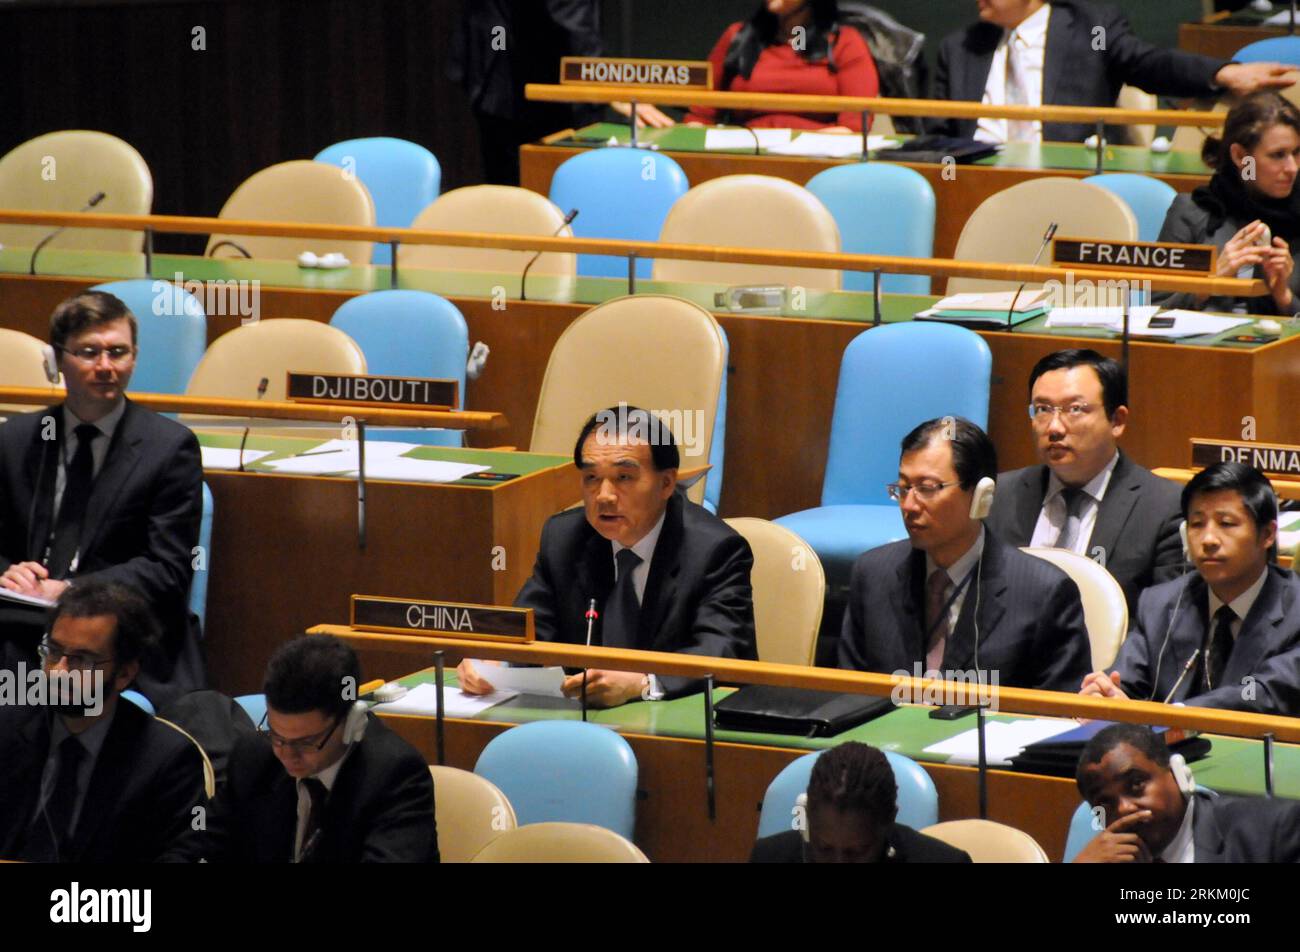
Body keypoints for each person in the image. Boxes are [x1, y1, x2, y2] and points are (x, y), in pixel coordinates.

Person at [459, 405, 757, 707]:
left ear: (666, 483)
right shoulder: (564, 538)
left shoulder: (714, 550)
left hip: (679, 724)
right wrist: (496, 661)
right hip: (579, 724)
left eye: (624, 477)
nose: (603, 495)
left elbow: (723, 648)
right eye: (591, 478)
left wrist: (642, 682)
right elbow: (531, 630)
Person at [0, 290, 204, 707]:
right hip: (19, 623)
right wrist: (9, 574)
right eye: (89, 352)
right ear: (59, 360)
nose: (106, 367)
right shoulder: (15, 440)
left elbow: (167, 570)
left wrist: (71, 590)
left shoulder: (169, 448)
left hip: (112, 634)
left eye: (118, 352)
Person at [837, 416, 1091, 692]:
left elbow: (1059, 720)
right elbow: (849, 695)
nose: (909, 505)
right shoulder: (873, 573)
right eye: (903, 488)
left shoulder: (1044, 593)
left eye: (927, 488)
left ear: (981, 496)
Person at [0, 580, 206, 862]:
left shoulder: (168, 761)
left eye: (82, 661)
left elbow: (182, 856)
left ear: (124, 673)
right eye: (55, 652)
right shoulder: (8, 730)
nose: (59, 672)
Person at [1081, 463, 1300, 714]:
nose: (1208, 539)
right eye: (1197, 524)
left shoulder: (1295, 611)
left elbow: (1264, 693)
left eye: (1226, 523)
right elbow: (1126, 682)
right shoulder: (1160, 603)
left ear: (1268, 534)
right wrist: (1105, 694)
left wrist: (1175, 715)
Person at [202, 635, 439, 863]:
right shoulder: (254, 756)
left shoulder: (396, 776)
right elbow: (199, 837)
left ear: (352, 722)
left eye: (305, 742)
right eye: (276, 735)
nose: (286, 754)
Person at [984, 349, 1183, 615]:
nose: (1054, 427)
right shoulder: (1000, 496)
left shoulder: (1164, 508)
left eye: (1074, 409)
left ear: (1117, 420)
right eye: (1042, 410)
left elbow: (1166, 625)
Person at [932, 0, 1295, 143]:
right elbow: (936, 133)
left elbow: (1147, 63)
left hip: (1062, 178)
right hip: (973, 177)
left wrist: (1222, 74)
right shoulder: (961, 46)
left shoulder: (1091, 28)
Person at [447, 0, 672, 185]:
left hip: (498, 65)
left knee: (512, 190)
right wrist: (606, 85)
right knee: (548, 192)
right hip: (528, 82)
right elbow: (568, 18)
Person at [1155, 92, 1300, 316]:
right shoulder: (1192, 212)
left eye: (1296, 152)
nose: (1291, 167)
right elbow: (1152, 313)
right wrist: (1209, 284)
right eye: (1277, 155)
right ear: (1242, 157)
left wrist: (1285, 298)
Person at [1074, 723, 1300, 862]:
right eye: (1105, 803)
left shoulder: (1275, 830)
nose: (1124, 808)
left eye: (1136, 784)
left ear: (1177, 774)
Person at [750, 742, 970, 862]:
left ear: (889, 821)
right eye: (824, 849)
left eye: (855, 853)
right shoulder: (769, 857)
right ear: (807, 817)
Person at [684, 0, 881, 133]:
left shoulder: (844, 42)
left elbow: (855, 124)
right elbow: (701, 113)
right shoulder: (738, 36)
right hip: (744, 153)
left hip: (815, 156)